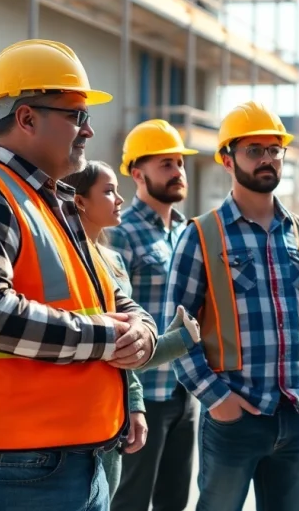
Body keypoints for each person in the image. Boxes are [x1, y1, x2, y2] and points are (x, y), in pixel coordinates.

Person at [0, 39, 158, 511]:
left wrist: (142, 332)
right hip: (14, 465)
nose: (88, 130)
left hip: (77, 457)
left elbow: (112, 297)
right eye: (75, 115)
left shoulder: (54, 204)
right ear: (27, 118)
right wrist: (106, 340)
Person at [163, 100, 299, 511]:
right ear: (228, 159)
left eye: (273, 150)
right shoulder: (201, 236)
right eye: (253, 150)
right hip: (234, 419)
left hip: (296, 412)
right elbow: (177, 332)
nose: (267, 159)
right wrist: (218, 399)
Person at [106, 118, 199, 511]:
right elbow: (116, 315)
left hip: (185, 391)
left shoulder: (185, 231)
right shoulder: (120, 233)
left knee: (174, 501)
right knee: (130, 501)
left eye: (180, 163)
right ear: (137, 173)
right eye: (166, 164)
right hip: (144, 395)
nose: (178, 172)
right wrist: (131, 398)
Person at [63, 161, 150, 500]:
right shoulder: (65, 258)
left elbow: (129, 335)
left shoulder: (112, 260)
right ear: (80, 201)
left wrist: (135, 403)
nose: (120, 199)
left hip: (114, 408)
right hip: (79, 411)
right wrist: (185, 338)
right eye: (109, 191)